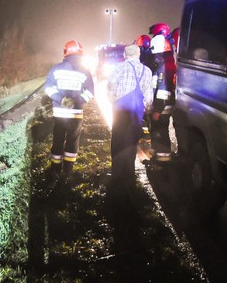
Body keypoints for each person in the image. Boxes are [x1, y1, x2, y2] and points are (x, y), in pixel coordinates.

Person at [44, 39, 95, 175]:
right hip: (75, 113)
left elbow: (48, 88)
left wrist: (60, 99)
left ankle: (55, 168)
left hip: (59, 113)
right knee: (72, 141)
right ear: (81, 53)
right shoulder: (85, 71)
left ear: (65, 52)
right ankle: (68, 170)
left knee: (58, 139)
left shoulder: (56, 68)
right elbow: (90, 92)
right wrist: (77, 101)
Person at [107, 44, 153, 181]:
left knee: (117, 141)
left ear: (125, 55)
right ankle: (129, 174)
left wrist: (113, 100)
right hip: (136, 113)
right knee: (132, 142)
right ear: (138, 55)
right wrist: (145, 108)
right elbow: (149, 96)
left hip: (120, 111)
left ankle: (116, 173)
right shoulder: (147, 70)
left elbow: (110, 86)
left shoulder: (119, 67)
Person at [147, 34, 176, 165]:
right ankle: (158, 159)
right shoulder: (163, 65)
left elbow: (163, 91)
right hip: (161, 106)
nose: (155, 57)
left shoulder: (164, 68)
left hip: (162, 107)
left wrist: (158, 110)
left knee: (160, 134)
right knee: (158, 132)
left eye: (156, 54)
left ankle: (162, 162)